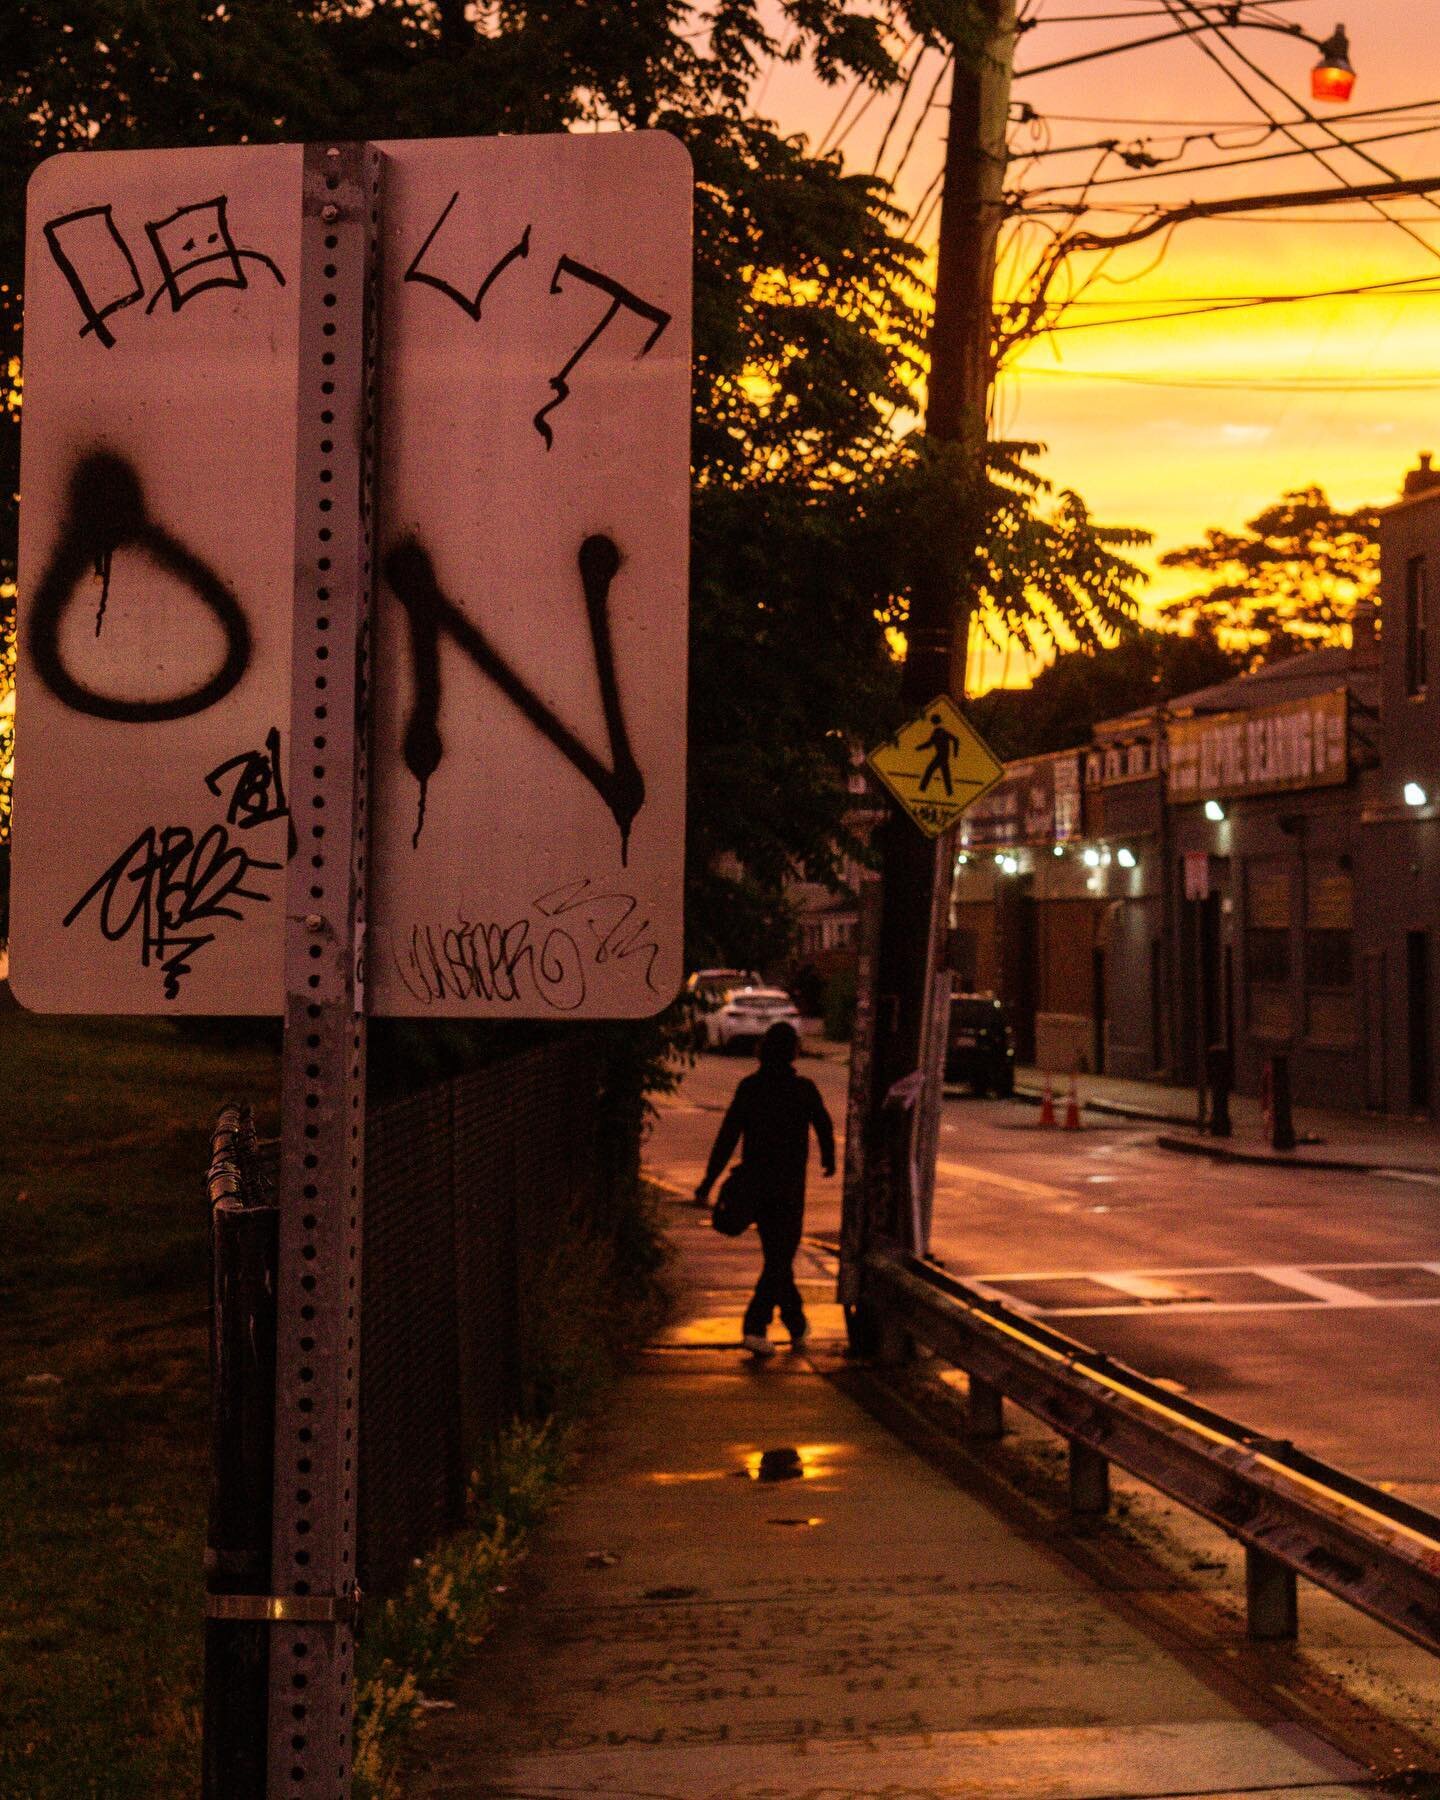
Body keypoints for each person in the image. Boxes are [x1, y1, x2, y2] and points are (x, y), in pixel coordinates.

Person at [695, 1021, 836, 1356]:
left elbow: (727, 1137)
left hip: (756, 1186)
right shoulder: (803, 1089)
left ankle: (797, 1324)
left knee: (778, 1258)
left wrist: (709, 1181)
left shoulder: (750, 1087)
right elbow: (824, 1124)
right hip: (788, 1190)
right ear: (793, 1052)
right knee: (779, 1258)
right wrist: (829, 1159)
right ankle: (755, 1327)